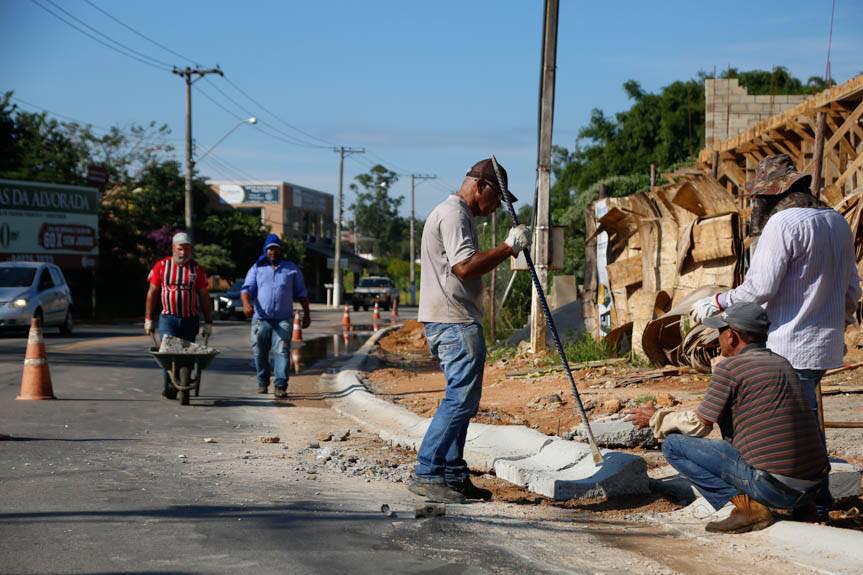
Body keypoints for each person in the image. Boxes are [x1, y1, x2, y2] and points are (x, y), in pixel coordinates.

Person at [626, 302, 829, 534]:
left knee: (673, 446)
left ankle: (748, 508)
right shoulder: (783, 364)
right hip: (813, 488)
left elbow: (699, 426)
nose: (718, 338)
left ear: (732, 336)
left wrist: (657, 419)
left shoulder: (731, 368)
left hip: (774, 490)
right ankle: (806, 510)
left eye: (720, 332)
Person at [691, 154, 861, 413]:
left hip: (790, 345)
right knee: (804, 413)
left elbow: (760, 288)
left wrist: (717, 301)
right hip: (827, 346)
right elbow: (852, 290)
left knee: (795, 421)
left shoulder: (783, 223)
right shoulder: (836, 220)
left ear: (771, 195)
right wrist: (840, 324)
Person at [407, 158, 531, 504]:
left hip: (451, 319)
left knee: (461, 401)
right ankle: (428, 470)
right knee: (460, 400)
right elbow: (464, 268)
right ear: (481, 186)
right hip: (454, 321)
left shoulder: (453, 214)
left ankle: (452, 473)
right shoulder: (455, 214)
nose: (495, 210)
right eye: (497, 200)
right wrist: (508, 248)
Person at [240, 233, 310, 399]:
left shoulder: (291, 268)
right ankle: (263, 381)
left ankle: (280, 385)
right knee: (259, 352)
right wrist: (246, 304)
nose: (273, 252)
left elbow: (302, 293)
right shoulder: (257, 268)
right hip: (260, 319)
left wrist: (307, 313)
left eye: (276, 249)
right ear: (265, 250)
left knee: (282, 351)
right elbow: (246, 289)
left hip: (283, 319)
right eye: (270, 249)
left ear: (280, 251)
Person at [144, 232, 213, 399]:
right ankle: (169, 385)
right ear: (173, 248)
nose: (184, 253)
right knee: (168, 353)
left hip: (190, 319)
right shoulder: (161, 266)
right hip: (169, 319)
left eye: (187, 249)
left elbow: (204, 296)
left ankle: (184, 380)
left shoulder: (196, 269)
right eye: (181, 249)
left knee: (188, 354)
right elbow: (152, 293)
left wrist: (208, 322)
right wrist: (148, 319)